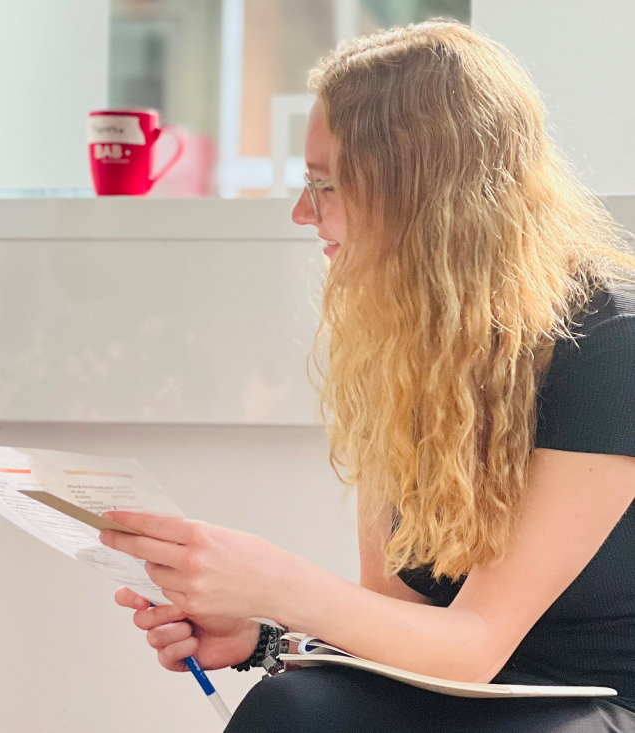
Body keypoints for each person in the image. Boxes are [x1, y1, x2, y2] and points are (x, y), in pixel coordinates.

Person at [99, 20, 635, 733]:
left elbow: (474, 645)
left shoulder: (610, 348)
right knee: (287, 707)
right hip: (462, 695)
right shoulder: (407, 342)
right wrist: (262, 636)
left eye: (327, 186)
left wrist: (277, 582)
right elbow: (402, 620)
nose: (302, 212)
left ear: (427, 196)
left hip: (592, 706)